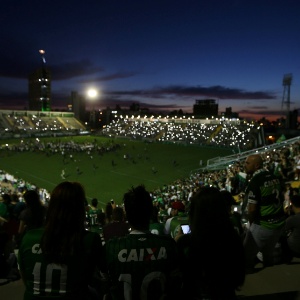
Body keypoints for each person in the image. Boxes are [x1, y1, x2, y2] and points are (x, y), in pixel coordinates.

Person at [18, 181, 107, 300]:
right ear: (80, 209)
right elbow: (102, 275)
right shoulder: (90, 239)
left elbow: (25, 278)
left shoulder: (29, 238)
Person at [104, 185, 181, 300]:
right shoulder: (168, 245)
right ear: (150, 212)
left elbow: (104, 285)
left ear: (126, 216)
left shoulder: (111, 247)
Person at [176, 187, 245, 299]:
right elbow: (239, 279)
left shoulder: (187, 243)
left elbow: (181, 279)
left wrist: (178, 243)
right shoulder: (233, 238)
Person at [242, 154, 286, 271]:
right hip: (278, 223)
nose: (244, 166)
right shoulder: (273, 176)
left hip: (263, 225)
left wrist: (251, 224)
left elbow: (252, 209)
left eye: (247, 163)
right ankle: (271, 276)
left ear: (256, 165)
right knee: (268, 254)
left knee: (246, 256)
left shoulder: (256, 182)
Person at [281, 194, 300, 262]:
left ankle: (286, 257)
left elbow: (281, 230)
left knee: (282, 237)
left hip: (296, 250)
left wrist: (284, 213)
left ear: (292, 204)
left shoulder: (292, 219)